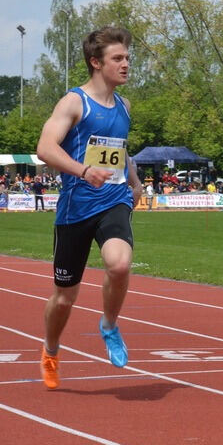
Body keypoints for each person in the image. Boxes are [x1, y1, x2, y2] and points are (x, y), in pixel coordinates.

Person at [35, 27, 143, 390]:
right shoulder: (74, 102)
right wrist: (83, 170)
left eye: (127, 57)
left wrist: (134, 179)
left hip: (114, 200)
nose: (126, 64)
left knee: (120, 263)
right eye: (118, 58)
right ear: (96, 63)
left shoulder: (125, 106)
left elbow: (120, 148)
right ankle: (51, 350)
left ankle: (109, 325)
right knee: (65, 297)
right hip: (75, 208)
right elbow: (46, 148)